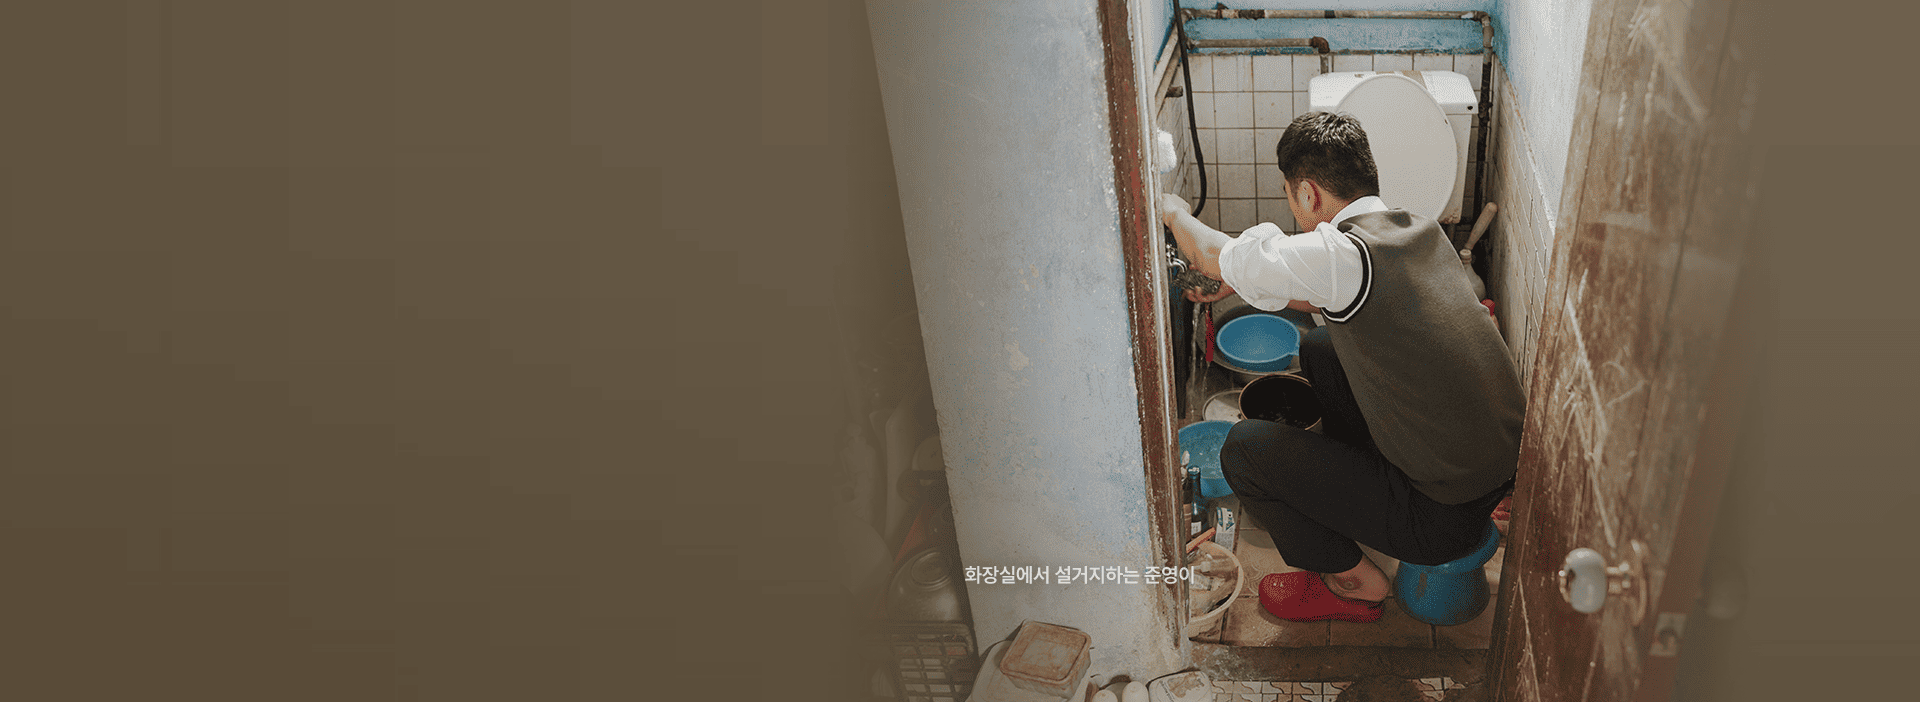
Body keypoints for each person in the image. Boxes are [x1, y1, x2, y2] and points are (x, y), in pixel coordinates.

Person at [1159, 111, 1524, 622]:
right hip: (1488, 470)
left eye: (1291, 197)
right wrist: (1242, 281)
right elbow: (1332, 294)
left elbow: (1208, 252)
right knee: (1323, 347)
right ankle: (1347, 489)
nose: (1294, 210)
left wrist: (1172, 209)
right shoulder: (1414, 230)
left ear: (1309, 194)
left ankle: (1354, 582)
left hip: (1440, 515)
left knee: (1243, 450)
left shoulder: (1343, 254)